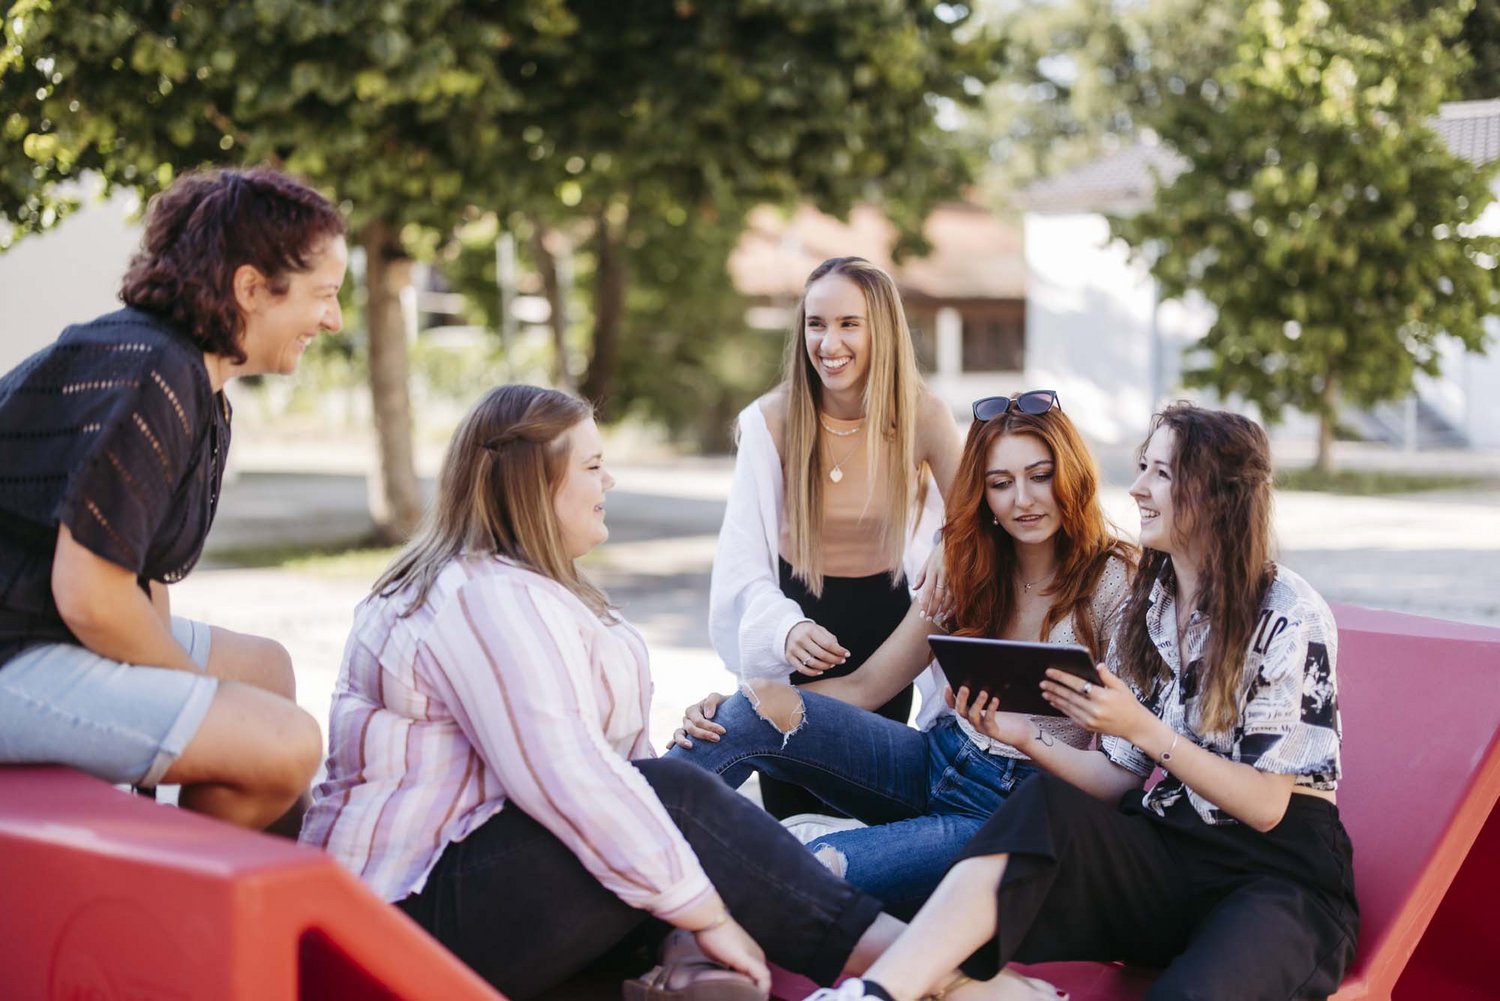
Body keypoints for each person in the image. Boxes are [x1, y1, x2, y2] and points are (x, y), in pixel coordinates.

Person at [300, 385, 914, 1000]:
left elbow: (611, 770)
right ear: (533, 485)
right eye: (592, 467)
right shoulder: (476, 595)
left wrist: (689, 903)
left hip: (471, 880)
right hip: (397, 912)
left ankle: (677, 970)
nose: (610, 481)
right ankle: (917, 972)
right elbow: (567, 779)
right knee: (671, 805)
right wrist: (706, 913)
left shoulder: (536, 592)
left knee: (674, 829)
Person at [822, 403, 1359, 1001]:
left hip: (1277, 877)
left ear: (1213, 492)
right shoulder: (1149, 604)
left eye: (1161, 472)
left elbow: (1266, 806)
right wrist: (1023, 734)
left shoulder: (1287, 612)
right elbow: (1115, 779)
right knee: (1044, 806)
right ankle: (876, 993)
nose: (1136, 488)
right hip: (1172, 850)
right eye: (1142, 467)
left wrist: (1147, 730)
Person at [671, 392, 1134, 916]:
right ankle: (626, 833)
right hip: (935, 759)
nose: (1023, 499)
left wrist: (1028, 738)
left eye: (1040, 475)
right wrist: (729, 710)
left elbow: (1120, 769)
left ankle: (658, 902)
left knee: (805, 868)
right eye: (1000, 484)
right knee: (754, 704)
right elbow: (867, 686)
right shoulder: (969, 570)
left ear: (1071, 473)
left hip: (1011, 811)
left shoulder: (1117, 581)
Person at [0, 167, 344, 831]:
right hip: (17, 645)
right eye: (322, 295)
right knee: (285, 742)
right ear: (249, 287)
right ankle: (172, 910)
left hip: (40, 622)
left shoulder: (190, 374)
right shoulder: (151, 372)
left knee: (265, 671)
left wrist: (196, 693)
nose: (331, 319)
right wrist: (191, 689)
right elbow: (92, 595)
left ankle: (271, 893)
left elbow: (139, 576)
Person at [710, 256, 962, 817]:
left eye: (849, 324)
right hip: (796, 630)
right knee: (792, 810)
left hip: (885, 625)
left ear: (882, 329)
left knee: (867, 802)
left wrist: (950, 544)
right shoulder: (769, 420)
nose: (829, 342)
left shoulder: (923, 416)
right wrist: (784, 628)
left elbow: (977, 513)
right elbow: (742, 558)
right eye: (815, 324)